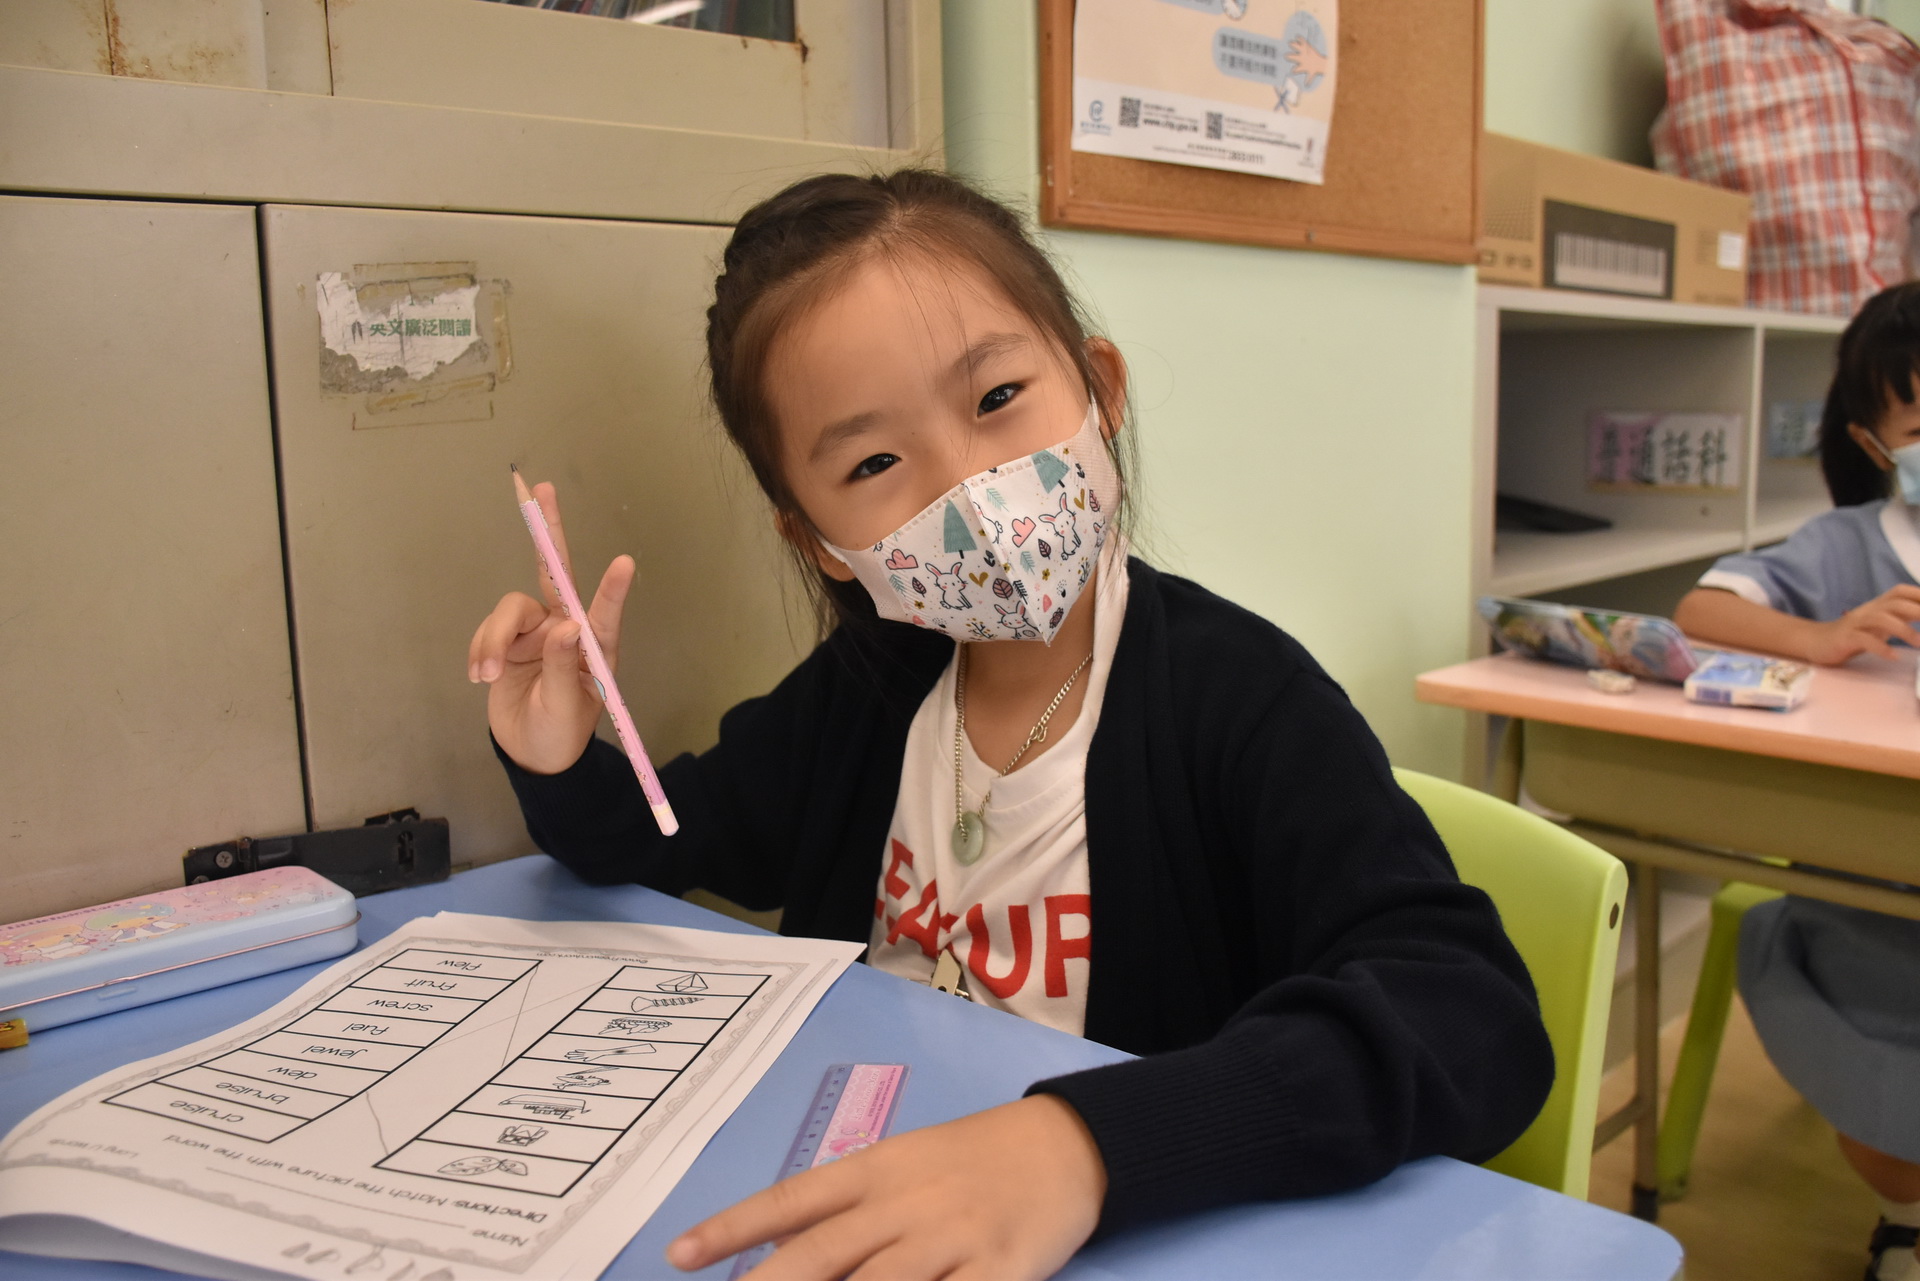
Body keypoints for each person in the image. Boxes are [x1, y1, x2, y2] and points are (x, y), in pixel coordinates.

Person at [468, 169, 1552, 1280]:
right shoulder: (868, 691)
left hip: (1120, 1225)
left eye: (996, 399)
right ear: (818, 543)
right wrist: (557, 756)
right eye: (875, 463)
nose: (970, 489)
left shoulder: (1243, 700)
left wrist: (1088, 1143)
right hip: (879, 1196)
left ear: (1099, 389)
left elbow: (1471, 1018)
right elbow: (666, 835)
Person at [1675, 281, 1920, 1281]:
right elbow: (1703, 610)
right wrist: (1823, 635)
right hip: (1875, 906)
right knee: (1890, 1113)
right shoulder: (1844, 546)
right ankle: (1902, 1221)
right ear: (1873, 442)